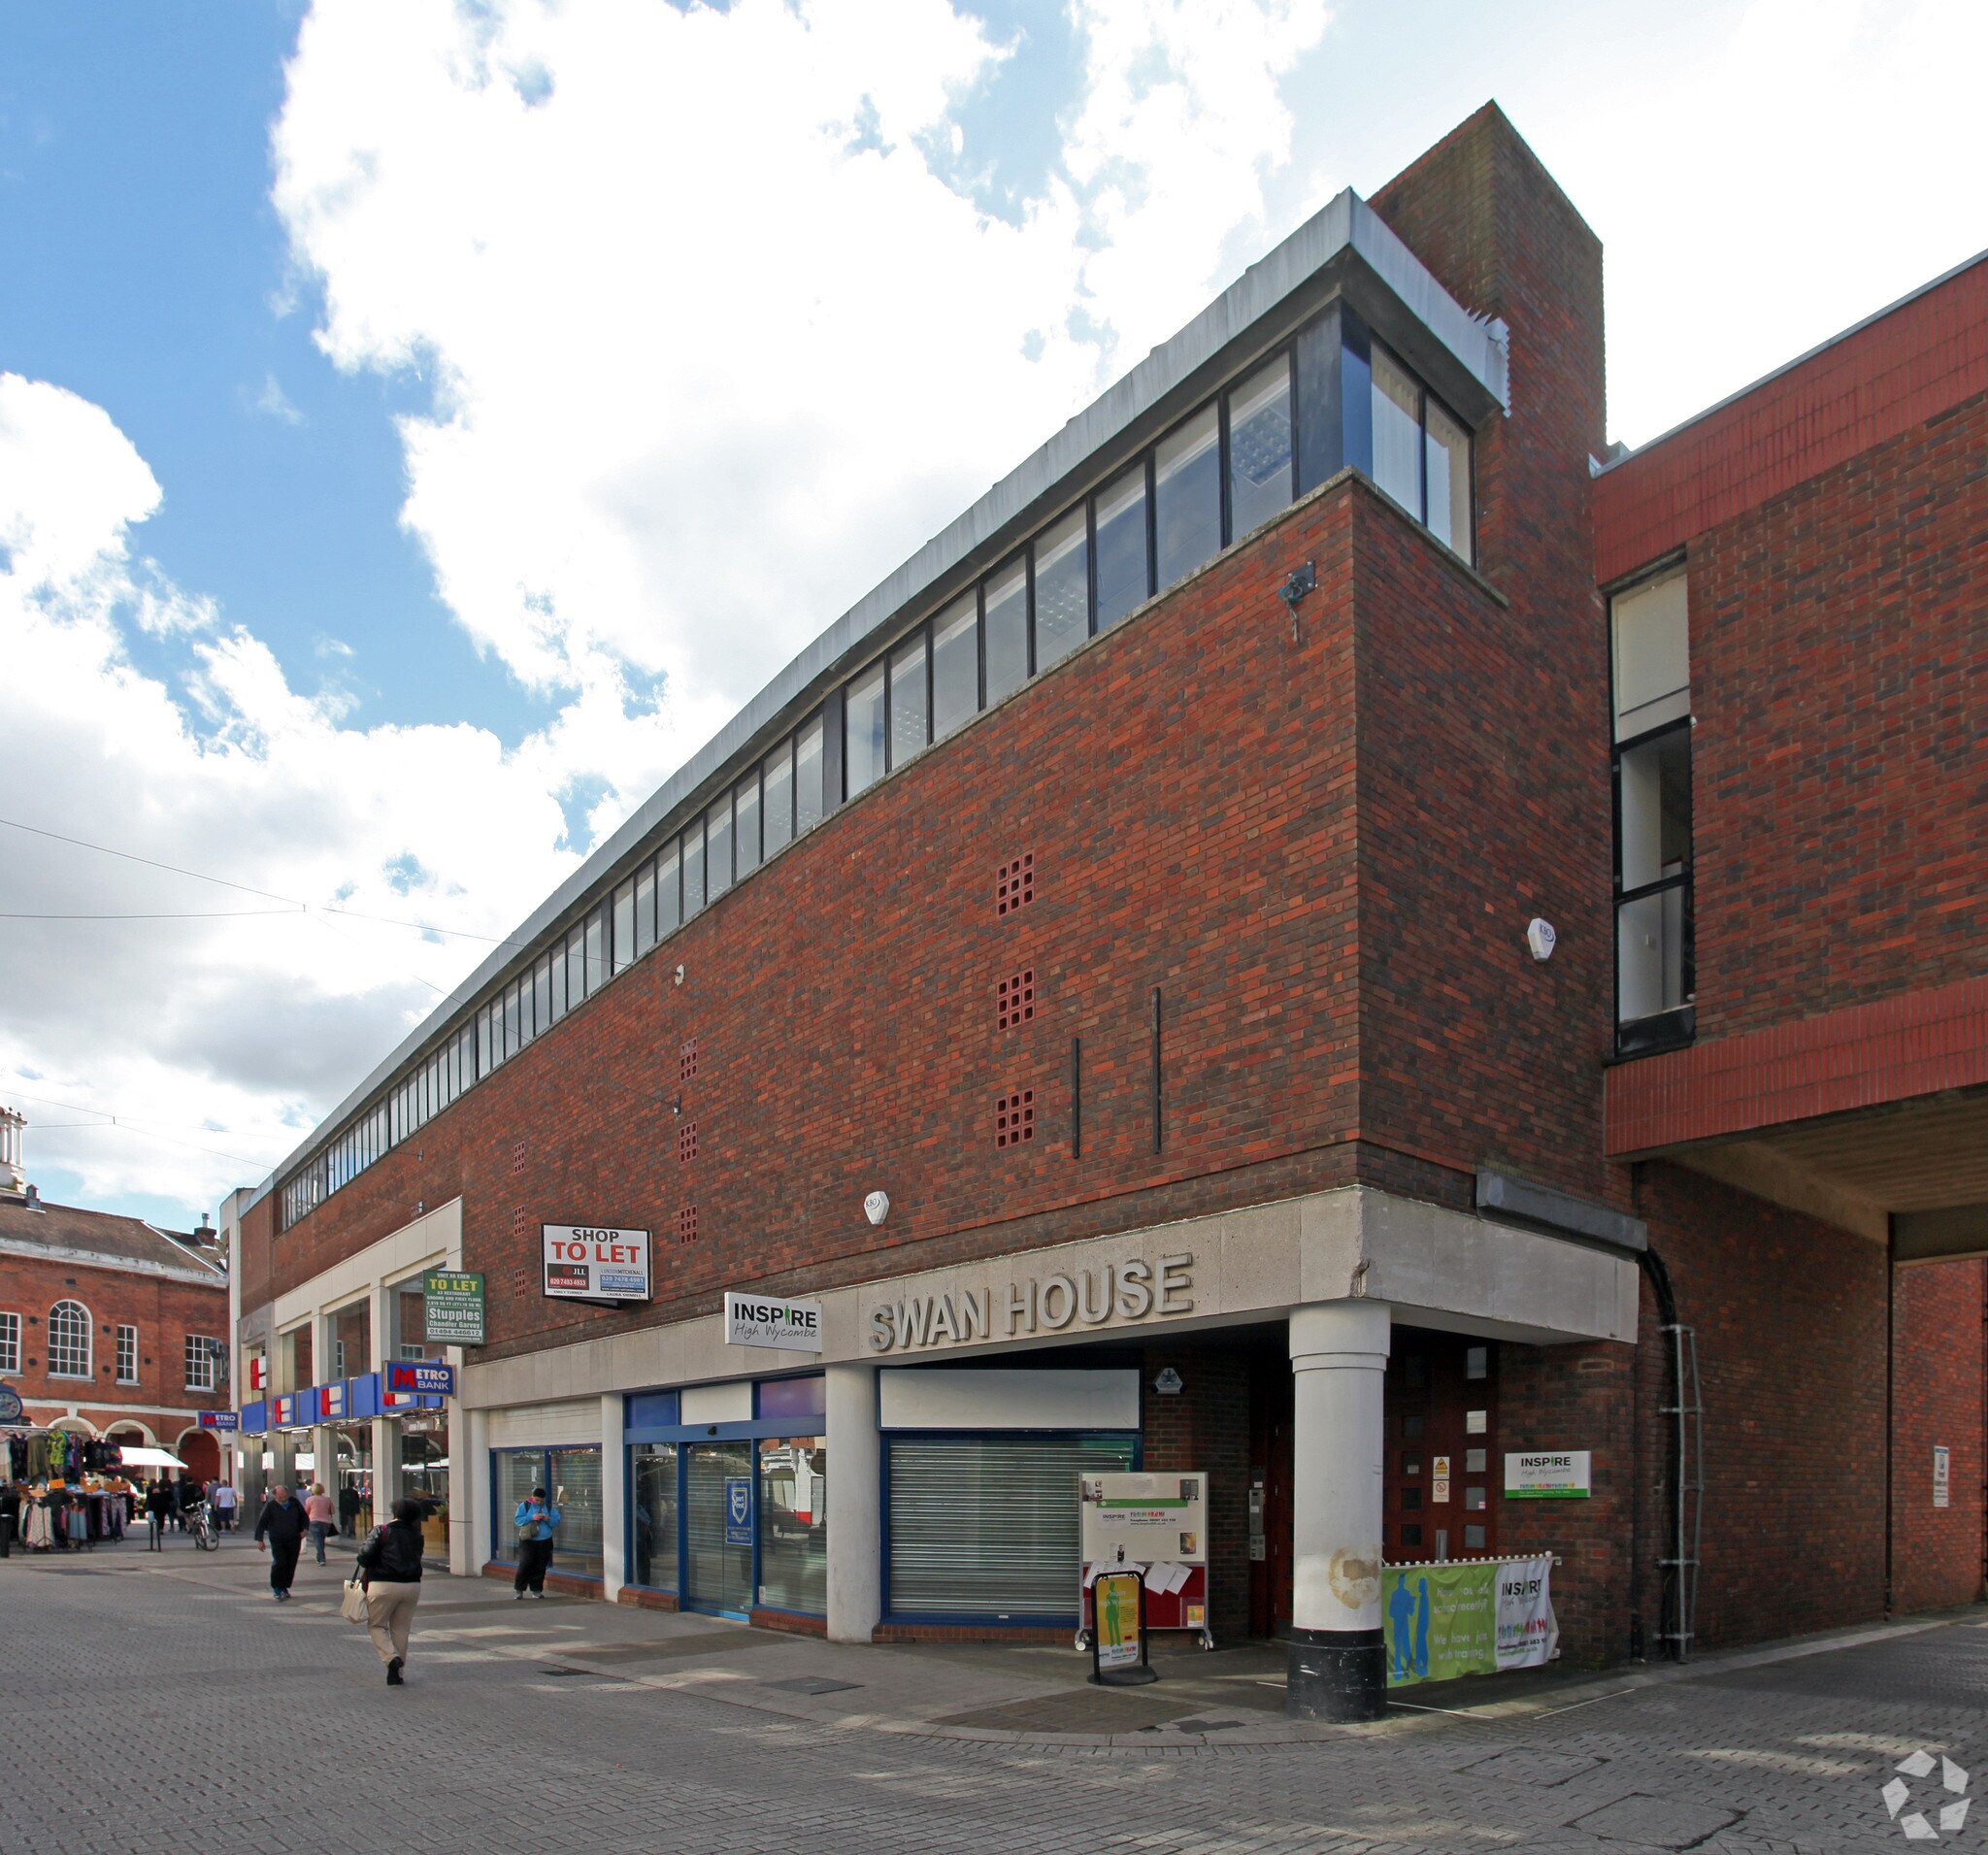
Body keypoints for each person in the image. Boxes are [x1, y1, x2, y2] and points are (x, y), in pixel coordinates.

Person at [355, 1496, 426, 1686]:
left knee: (376, 1625)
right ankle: (398, 1673)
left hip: (383, 1583)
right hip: (412, 1585)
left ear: (394, 1512)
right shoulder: (417, 1536)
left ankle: (391, 1658)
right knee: (401, 1629)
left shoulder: (382, 1530)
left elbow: (364, 1556)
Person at [253, 1483, 307, 1602]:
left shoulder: (294, 1503)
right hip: (277, 1538)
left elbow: (304, 1516)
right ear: (275, 1496)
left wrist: (305, 1530)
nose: (283, 1498)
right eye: (280, 1496)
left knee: (290, 1563)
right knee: (280, 1562)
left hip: (294, 1538)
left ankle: (284, 1587)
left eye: (284, 1495)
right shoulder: (271, 1506)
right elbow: (262, 1523)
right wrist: (260, 1540)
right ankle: (277, 1588)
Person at [512, 1485, 560, 1599]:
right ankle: (519, 1589)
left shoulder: (548, 1507)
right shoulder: (525, 1506)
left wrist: (547, 1519)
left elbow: (557, 1522)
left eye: (540, 1500)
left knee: (540, 1566)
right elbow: (518, 1520)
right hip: (528, 1540)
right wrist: (531, 1517)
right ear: (532, 1497)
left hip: (544, 1540)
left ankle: (536, 1590)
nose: (538, 1502)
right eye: (536, 1499)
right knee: (525, 1563)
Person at [303, 1482, 337, 1565]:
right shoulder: (327, 1499)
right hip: (326, 1522)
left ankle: (322, 1559)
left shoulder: (309, 1499)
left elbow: (306, 1512)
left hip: (313, 1521)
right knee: (321, 1540)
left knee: (318, 1540)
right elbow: (333, 1511)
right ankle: (319, 1557)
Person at [144, 1478, 172, 1550]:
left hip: (156, 1506)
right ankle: (161, 1528)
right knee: (162, 1517)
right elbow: (171, 1498)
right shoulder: (167, 1490)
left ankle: (158, 1527)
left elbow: (150, 1498)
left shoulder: (155, 1490)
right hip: (165, 1506)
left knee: (157, 1517)